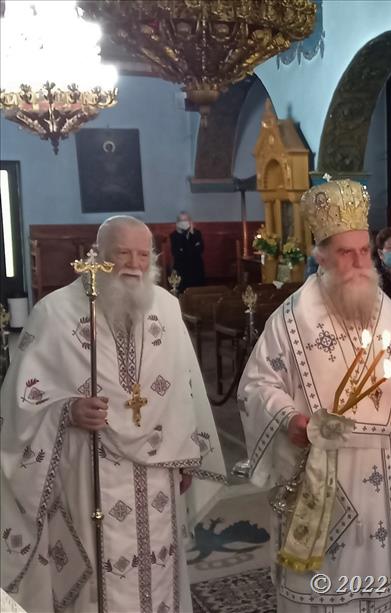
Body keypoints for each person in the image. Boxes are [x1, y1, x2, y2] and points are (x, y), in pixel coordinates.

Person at [0, 215, 226, 612]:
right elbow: (22, 402)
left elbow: (184, 387)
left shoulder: (167, 308)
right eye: (122, 253)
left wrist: (188, 453)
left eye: (143, 255)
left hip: (159, 474)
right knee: (99, 577)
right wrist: (67, 410)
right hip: (90, 470)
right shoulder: (55, 313)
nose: (134, 265)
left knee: (160, 569)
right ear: (97, 255)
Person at [239, 179, 391, 612]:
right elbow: (257, 385)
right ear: (321, 256)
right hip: (319, 473)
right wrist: (291, 419)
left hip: (378, 474)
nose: (360, 262)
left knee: (378, 580)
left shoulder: (387, 312)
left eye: (364, 250)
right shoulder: (291, 320)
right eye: (346, 252)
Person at [169, 211, 205, 290]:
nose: (184, 222)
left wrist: (192, 233)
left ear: (190, 221)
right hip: (181, 269)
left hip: (196, 267)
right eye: (181, 220)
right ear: (177, 223)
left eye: (185, 220)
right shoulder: (174, 236)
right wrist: (181, 234)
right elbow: (177, 254)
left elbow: (200, 250)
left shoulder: (197, 233)